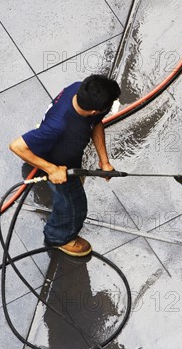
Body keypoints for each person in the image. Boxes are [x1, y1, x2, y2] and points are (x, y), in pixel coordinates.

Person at [9, 75, 121, 257]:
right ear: (94, 110)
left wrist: (104, 162)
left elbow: (96, 123)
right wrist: (52, 170)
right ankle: (58, 237)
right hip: (59, 166)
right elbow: (16, 146)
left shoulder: (80, 90)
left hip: (67, 152)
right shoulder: (58, 126)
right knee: (75, 207)